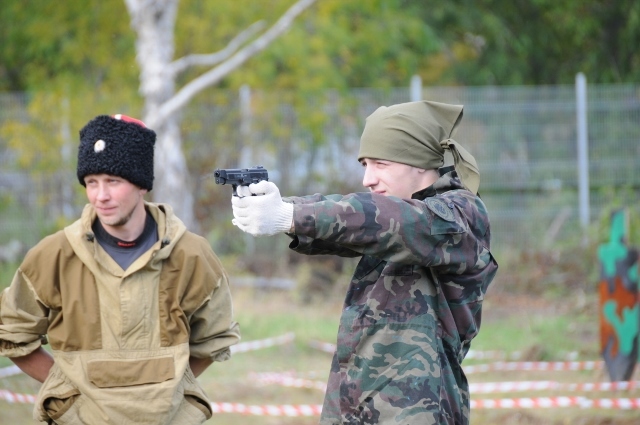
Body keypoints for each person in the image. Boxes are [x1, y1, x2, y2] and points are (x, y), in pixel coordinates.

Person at [231, 100, 498, 425]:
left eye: (381, 164)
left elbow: (388, 221)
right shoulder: (391, 220)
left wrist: (291, 215)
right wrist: (282, 209)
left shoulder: (460, 215)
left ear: (418, 164)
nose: (368, 179)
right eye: (365, 165)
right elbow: (354, 225)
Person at [0, 114, 240, 424]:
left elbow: (213, 339)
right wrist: (68, 394)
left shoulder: (191, 254)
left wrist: (168, 391)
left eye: (113, 181)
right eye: (91, 182)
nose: (101, 195)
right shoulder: (54, 256)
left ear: (142, 185)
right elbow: (12, 334)